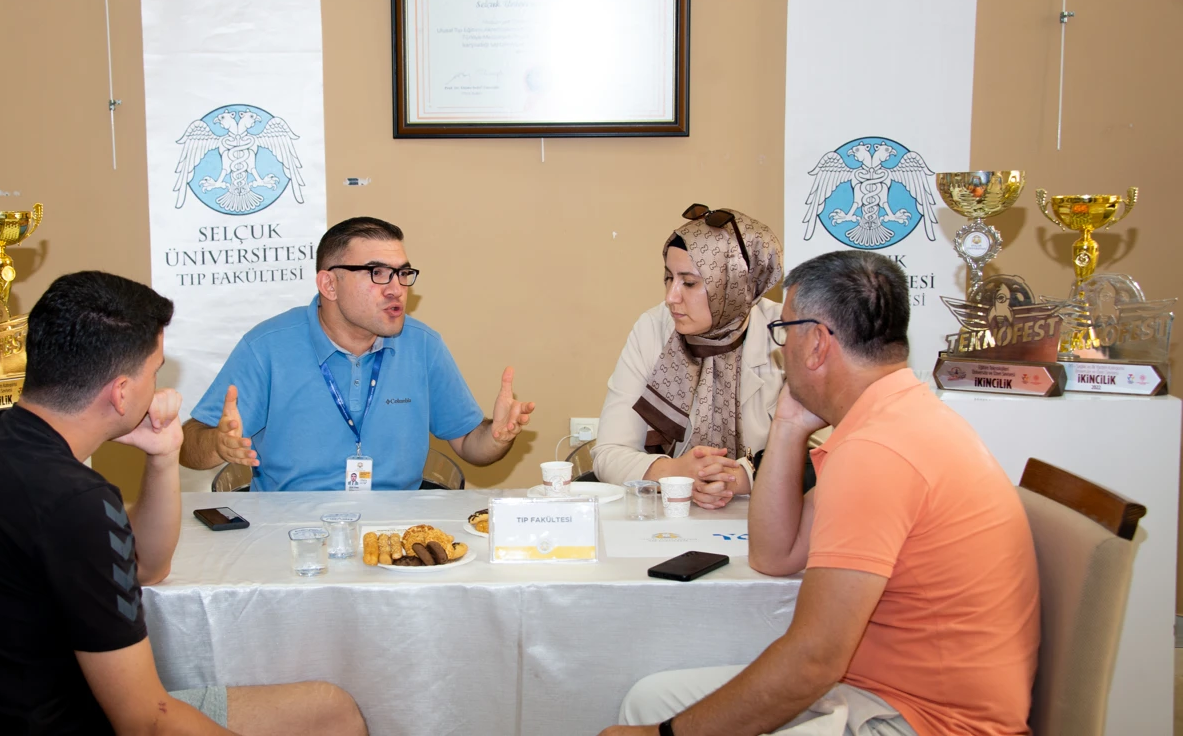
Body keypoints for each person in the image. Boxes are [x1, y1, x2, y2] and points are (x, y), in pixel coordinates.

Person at [0, 271, 366, 735]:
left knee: (331, 709)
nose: (158, 385)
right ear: (122, 392)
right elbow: (145, 723)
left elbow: (146, 568)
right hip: (62, 721)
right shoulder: (71, 501)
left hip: (3, 705)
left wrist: (163, 456)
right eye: (155, 369)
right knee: (334, 714)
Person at [602, 251, 1040, 736]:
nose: (779, 350)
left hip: (921, 721)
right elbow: (776, 554)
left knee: (653, 723)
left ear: (816, 344)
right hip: (879, 691)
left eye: (783, 333)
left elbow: (814, 660)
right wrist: (788, 424)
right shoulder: (892, 417)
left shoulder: (878, 451)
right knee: (648, 700)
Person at [180, 217, 534, 491]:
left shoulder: (423, 345)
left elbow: (471, 445)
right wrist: (217, 443)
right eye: (377, 273)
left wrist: (497, 435)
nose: (396, 289)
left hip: (395, 534)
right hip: (290, 536)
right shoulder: (267, 347)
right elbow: (188, 447)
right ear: (329, 284)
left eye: (403, 273)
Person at [594, 204, 807, 509]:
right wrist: (674, 473)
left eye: (689, 283)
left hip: (765, 513)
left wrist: (743, 476)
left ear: (734, 284)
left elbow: (824, 452)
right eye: (669, 278)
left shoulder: (788, 333)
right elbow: (609, 452)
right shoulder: (652, 329)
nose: (671, 297)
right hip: (668, 515)